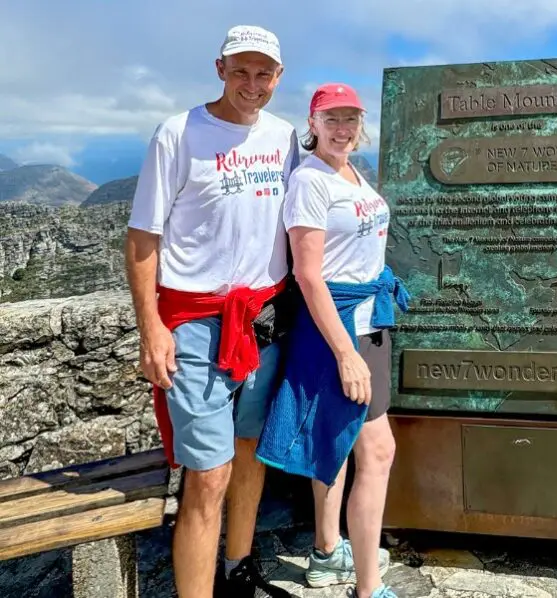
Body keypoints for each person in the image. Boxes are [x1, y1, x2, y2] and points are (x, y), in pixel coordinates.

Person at [124, 25, 298, 598]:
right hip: (194, 324)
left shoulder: (285, 136)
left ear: (279, 77)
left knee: (249, 450)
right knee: (209, 473)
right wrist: (152, 328)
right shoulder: (178, 133)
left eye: (264, 73)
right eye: (241, 71)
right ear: (220, 68)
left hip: (263, 322)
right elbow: (143, 237)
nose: (252, 84)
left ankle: (239, 569)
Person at [255, 83, 409, 598]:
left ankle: (326, 552)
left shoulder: (350, 173)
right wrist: (346, 353)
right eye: (332, 119)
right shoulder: (311, 181)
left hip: (367, 321)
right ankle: (368, 588)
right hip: (340, 331)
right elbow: (310, 274)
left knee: (336, 443)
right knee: (378, 451)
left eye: (351, 119)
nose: (343, 129)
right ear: (313, 123)